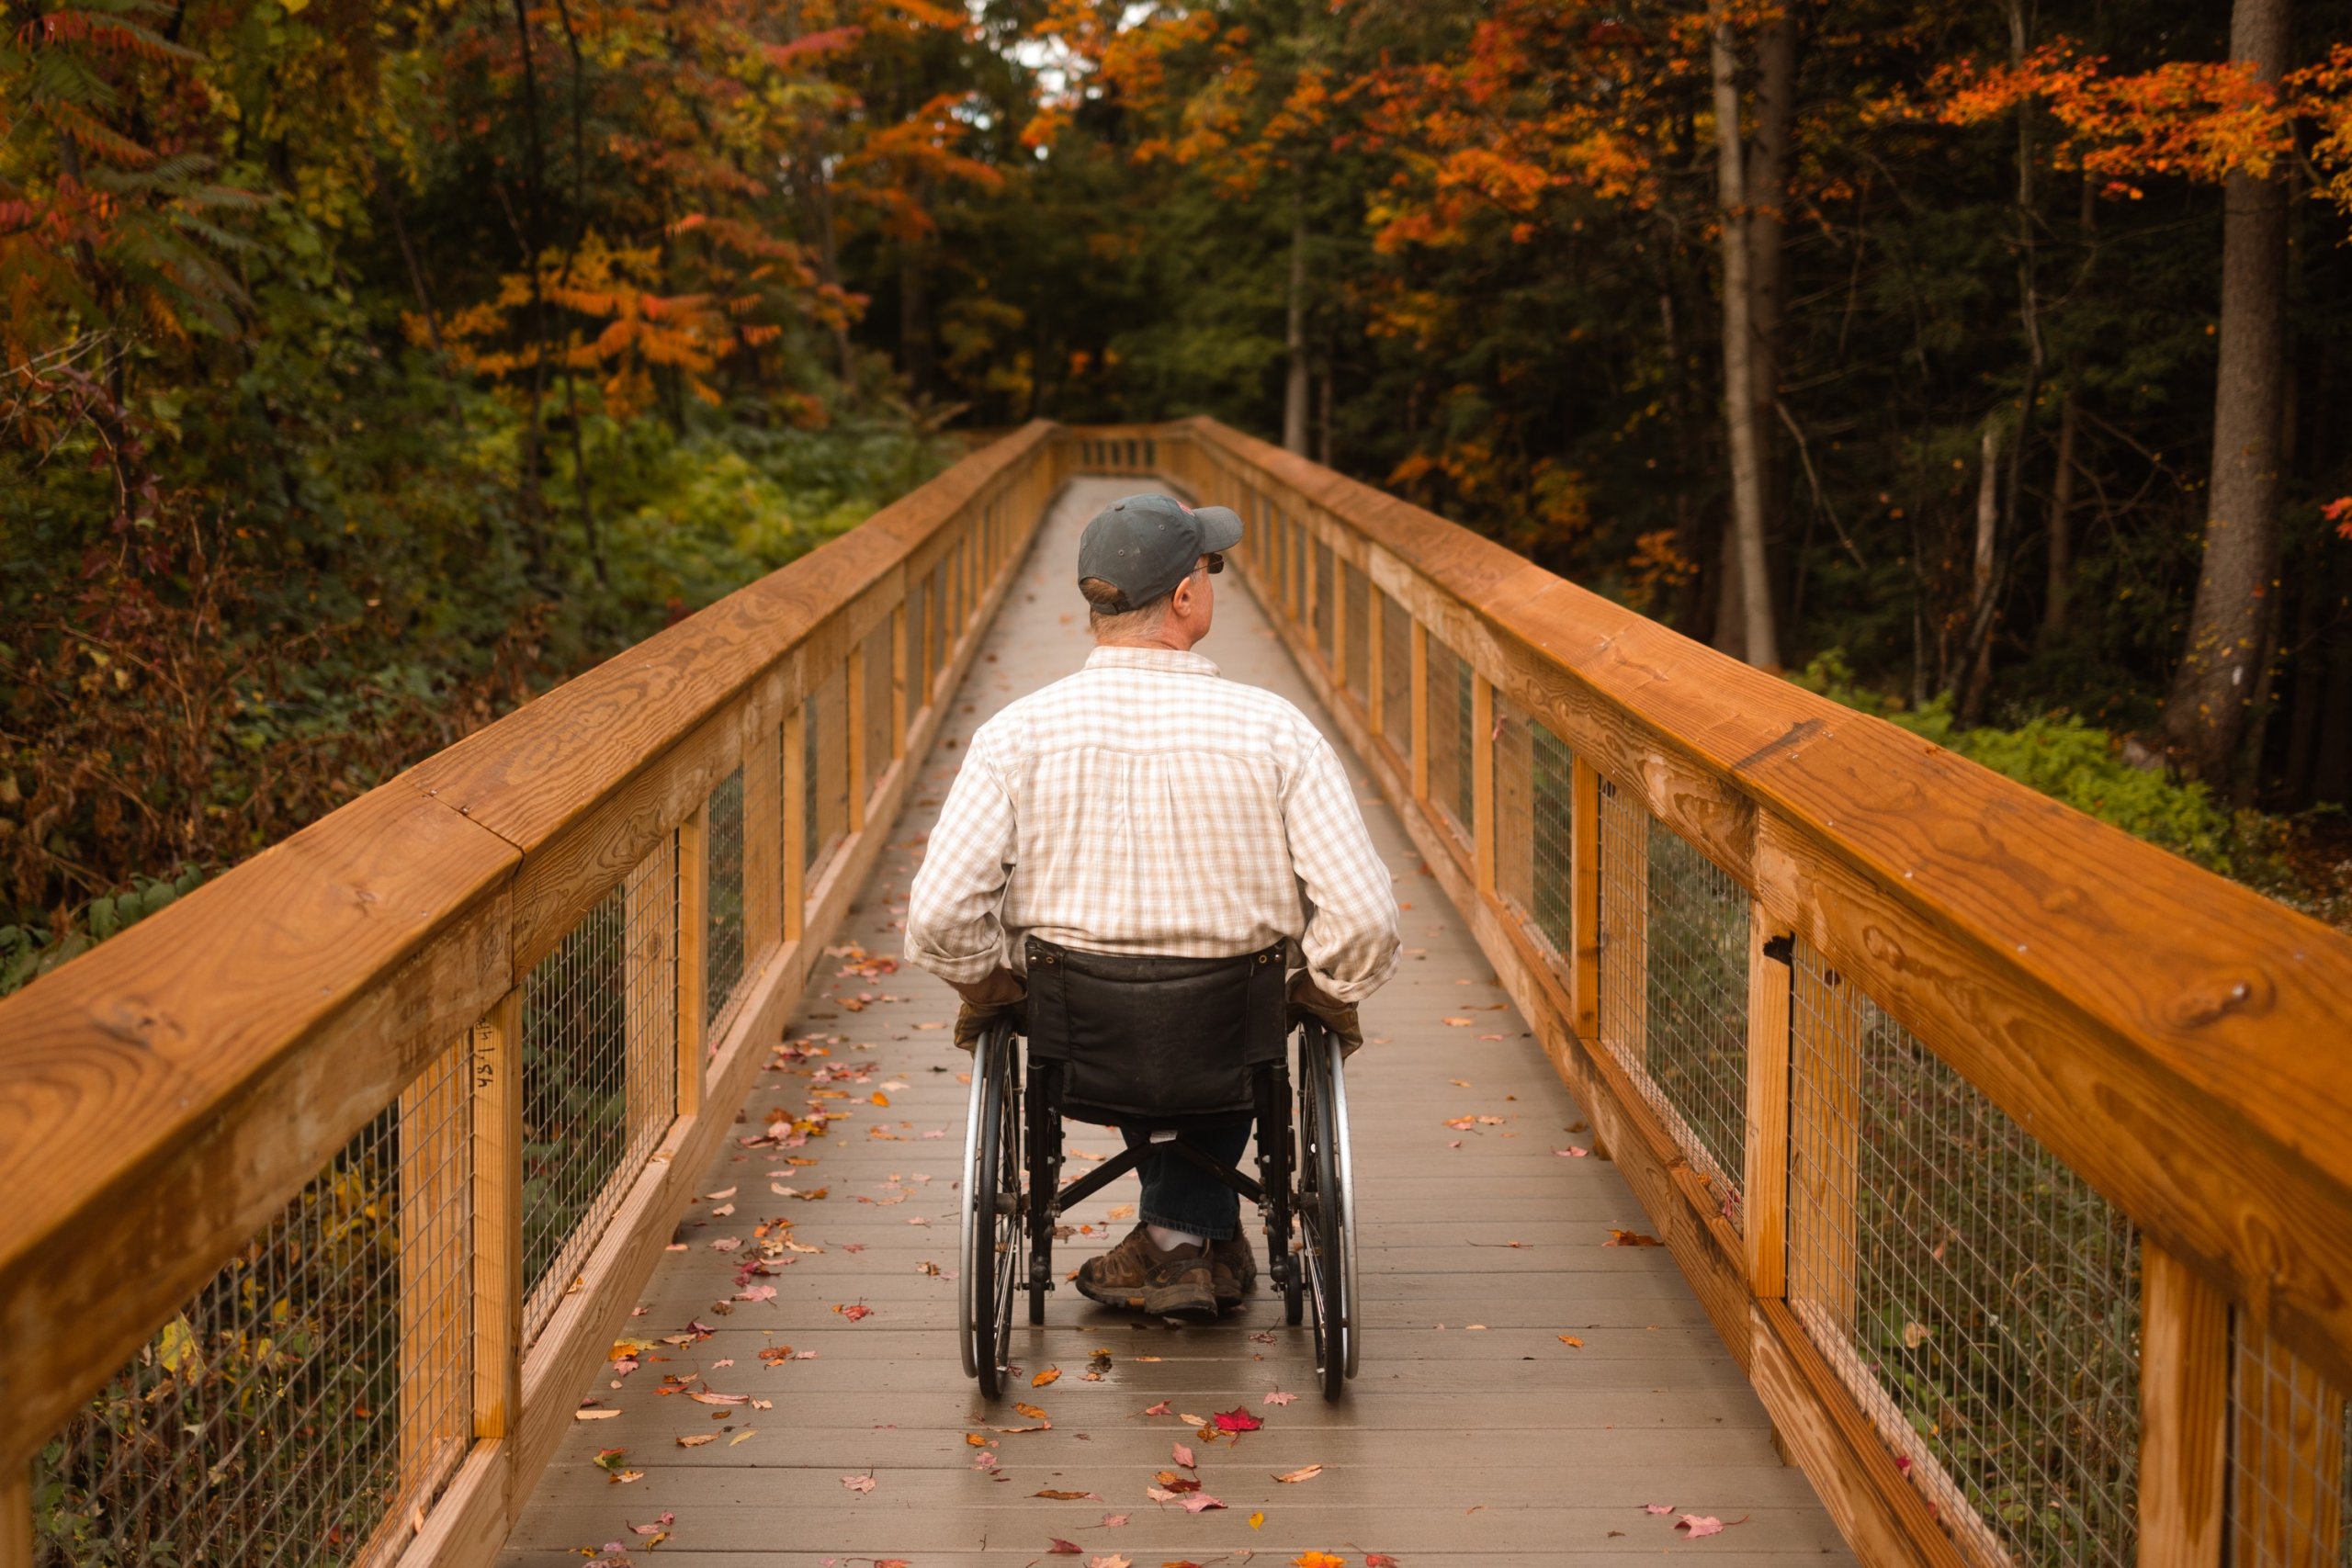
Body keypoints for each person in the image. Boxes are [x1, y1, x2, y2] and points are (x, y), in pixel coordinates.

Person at [903, 491, 1399, 1319]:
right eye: (1210, 567)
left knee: (1116, 999)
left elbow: (941, 917)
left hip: (1080, 1036)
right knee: (1240, 1013)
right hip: (1233, 1035)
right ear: (1181, 597)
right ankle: (1186, 1237)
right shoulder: (1277, 732)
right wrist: (1323, 989)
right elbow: (1365, 917)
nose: (1214, 580)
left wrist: (991, 986)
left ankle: (1179, 1238)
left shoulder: (1015, 735)